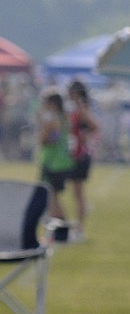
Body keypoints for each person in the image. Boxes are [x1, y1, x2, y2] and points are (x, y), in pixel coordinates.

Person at [66, 81, 99, 239]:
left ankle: (79, 228)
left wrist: (84, 138)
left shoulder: (81, 108)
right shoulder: (74, 108)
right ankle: (77, 226)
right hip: (75, 155)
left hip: (80, 156)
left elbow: (94, 126)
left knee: (78, 194)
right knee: (76, 194)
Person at [38, 92, 74, 221]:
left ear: (53, 105)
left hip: (54, 163)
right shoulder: (64, 118)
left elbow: (46, 140)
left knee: (51, 197)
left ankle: (61, 230)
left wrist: (44, 130)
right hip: (62, 162)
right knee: (53, 197)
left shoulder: (53, 120)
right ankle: (59, 230)